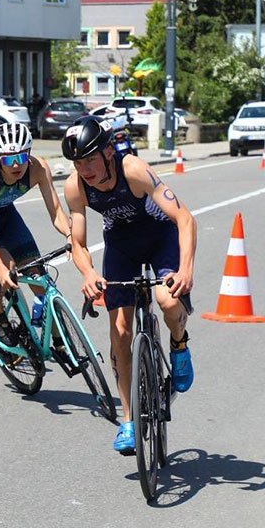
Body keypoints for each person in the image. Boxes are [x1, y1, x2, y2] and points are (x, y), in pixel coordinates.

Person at [60, 116, 197, 454]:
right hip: (121, 243)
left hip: (160, 234)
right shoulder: (75, 186)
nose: (85, 169)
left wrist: (186, 270)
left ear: (108, 152)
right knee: (119, 331)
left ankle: (179, 344)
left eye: (90, 159)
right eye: (78, 162)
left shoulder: (133, 169)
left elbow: (184, 218)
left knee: (166, 301)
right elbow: (77, 242)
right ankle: (128, 419)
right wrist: (88, 274)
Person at [0, 122, 70, 348]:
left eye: (21, 157)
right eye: (8, 159)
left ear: (29, 153)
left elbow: (56, 211)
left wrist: (70, 236)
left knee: (38, 275)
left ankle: (59, 339)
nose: (17, 164)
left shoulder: (38, 167)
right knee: (6, 268)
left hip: (5, 212)